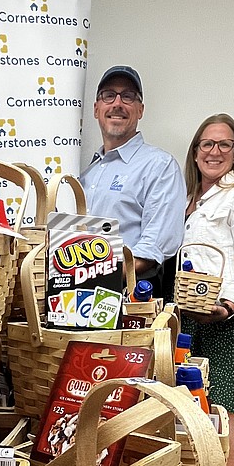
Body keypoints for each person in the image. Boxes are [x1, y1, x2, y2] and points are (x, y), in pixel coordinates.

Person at [177, 114, 234, 423]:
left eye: (224, 144)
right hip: (186, 319)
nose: (214, 151)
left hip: (225, 320)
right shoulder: (186, 200)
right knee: (183, 411)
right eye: (207, 143)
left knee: (221, 414)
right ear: (195, 151)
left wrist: (228, 306)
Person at [79, 66, 186, 295]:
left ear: (140, 110)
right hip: (75, 294)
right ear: (96, 109)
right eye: (109, 95)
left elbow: (152, 250)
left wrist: (89, 277)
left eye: (127, 96)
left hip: (129, 296)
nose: (117, 103)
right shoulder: (86, 175)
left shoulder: (160, 166)